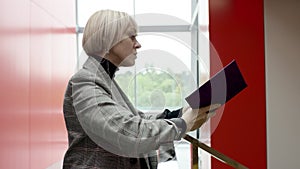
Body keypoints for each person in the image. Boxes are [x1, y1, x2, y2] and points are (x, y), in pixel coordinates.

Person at [62, 9, 220, 169]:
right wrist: (182, 124)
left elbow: (135, 118)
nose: (138, 44)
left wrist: (177, 114)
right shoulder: (84, 82)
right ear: (108, 39)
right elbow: (125, 131)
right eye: (131, 37)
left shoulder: (104, 81)